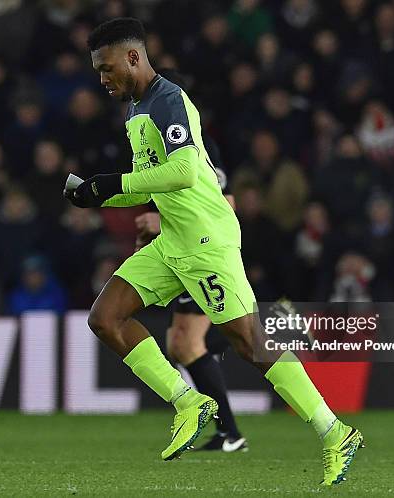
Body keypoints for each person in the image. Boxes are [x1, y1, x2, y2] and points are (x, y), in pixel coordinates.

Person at [64, 18, 363, 485]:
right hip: (173, 242)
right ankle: (188, 402)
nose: (102, 79)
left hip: (206, 241)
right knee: (105, 318)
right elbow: (154, 182)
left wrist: (114, 183)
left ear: (133, 58)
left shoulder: (168, 100)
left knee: (248, 341)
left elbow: (182, 172)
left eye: (106, 68)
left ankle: (334, 431)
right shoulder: (136, 109)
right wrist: (98, 195)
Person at [133, 68, 246, 452]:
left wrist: (159, 220)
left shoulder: (200, 144)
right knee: (180, 344)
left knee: (194, 341)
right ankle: (230, 432)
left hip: (203, 247)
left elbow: (226, 203)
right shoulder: (150, 138)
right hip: (178, 247)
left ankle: (230, 431)